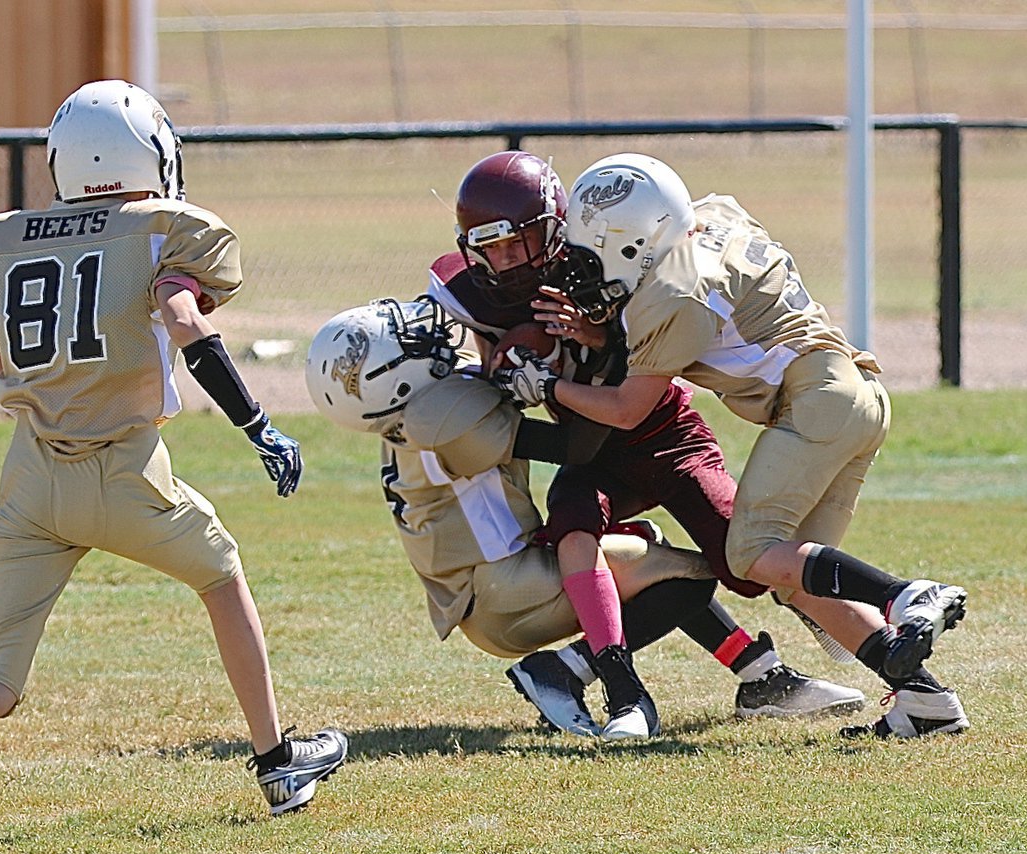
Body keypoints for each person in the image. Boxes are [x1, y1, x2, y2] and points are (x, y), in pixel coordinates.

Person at [493, 152, 970, 739]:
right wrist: (603, 331)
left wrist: (546, 384)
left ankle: (906, 595)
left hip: (813, 401)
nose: (586, 263)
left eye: (595, 248)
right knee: (792, 575)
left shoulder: (672, 293)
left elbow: (626, 407)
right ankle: (926, 704)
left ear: (632, 239)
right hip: (857, 392)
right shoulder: (711, 216)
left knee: (748, 554)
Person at [0, 80, 348, 814]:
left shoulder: (2, 240)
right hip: (122, 469)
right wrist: (257, 424)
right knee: (221, 575)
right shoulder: (158, 230)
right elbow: (185, 319)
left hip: (29, 475)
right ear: (150, 153)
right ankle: (279, 762)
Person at [427, 150, 867, 728]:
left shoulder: (607, 251)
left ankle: (779, 668)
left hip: (663, 432)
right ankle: (619, 685)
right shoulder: (470, 292)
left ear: (557, 228)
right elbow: (480, 381)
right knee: (572, 525)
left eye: (519, 243)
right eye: (490, 246)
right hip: (589, 447)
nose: (505, 261)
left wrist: (592, 338)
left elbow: (642, 348)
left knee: (744, 562)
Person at [306, 296, 735, 741]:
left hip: (490, 588)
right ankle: (566, 670)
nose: (423, 334)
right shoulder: (440, 421)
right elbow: (575, 447)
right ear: (386, 381)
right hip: (507, 590)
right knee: (687, 576)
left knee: (643, 542)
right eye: (405, 342)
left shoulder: (411, 415)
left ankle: (760, 670)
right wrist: (617, 362)